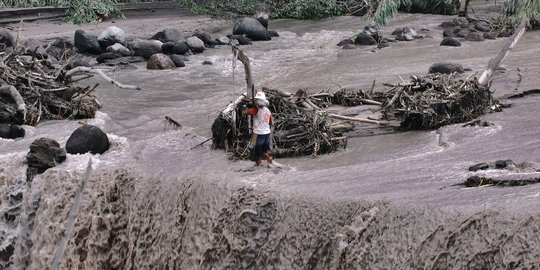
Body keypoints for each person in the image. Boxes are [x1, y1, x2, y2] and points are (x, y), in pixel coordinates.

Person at [244, 91, 273, 167]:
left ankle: (260, 163)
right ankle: (268, 158)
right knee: (262, 150)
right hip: (267, 133)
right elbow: (271, 122)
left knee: (254, 150)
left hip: (257, 133)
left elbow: (245, 112)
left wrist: (246, 106)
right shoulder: (268, 111)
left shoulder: (256, 110)